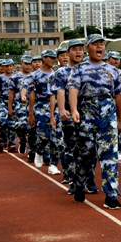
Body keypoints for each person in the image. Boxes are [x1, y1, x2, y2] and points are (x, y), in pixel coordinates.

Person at [68, 34, 121, 209]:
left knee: (110, 155)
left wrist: (120, 119)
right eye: (95, 44)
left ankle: (111, 195)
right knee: (86, 155)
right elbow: (73, 89)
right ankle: (79, 185)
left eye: (102, 44)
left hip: (107, 115)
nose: (99, 47)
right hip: (87, 114)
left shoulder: (113, 70)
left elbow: (118, 95)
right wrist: (74, 110)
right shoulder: (79, 69)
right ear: (87, 48)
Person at [50, 40, 84, 188]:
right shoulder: (61, 72)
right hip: (69, 112)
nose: (78, 52)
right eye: (74, 49)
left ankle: (86, 179)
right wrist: (62, 109)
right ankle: (70, 176)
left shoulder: (86, 69)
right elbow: (60, 91)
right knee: (69, 145)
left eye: (80, 49)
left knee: (86, 147)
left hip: (86, 113)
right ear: (68, 53)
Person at [27, 49, 63, 175]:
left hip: (55, 105)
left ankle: (53, 164)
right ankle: (39, 151)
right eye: (50, 58)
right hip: (41, 105)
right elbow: (32, 94)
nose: (53, 60)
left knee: (56, 136)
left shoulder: (56, 74)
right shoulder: (35, 75)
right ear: (44, 58)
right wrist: (31, 113)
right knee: (44, 135)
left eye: (54, 58)